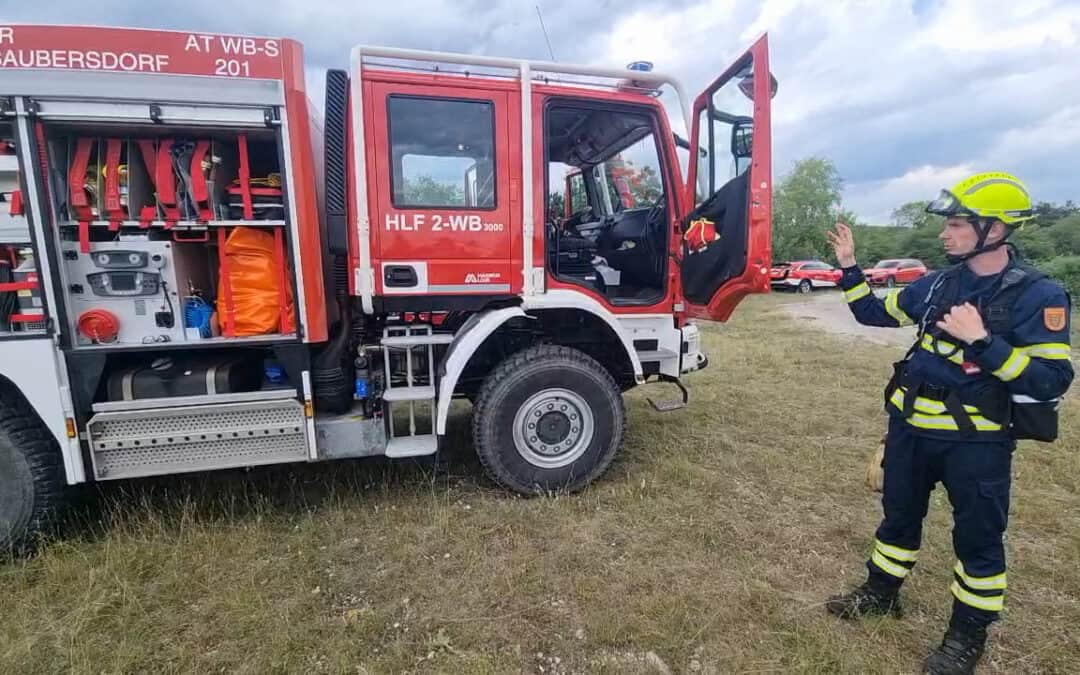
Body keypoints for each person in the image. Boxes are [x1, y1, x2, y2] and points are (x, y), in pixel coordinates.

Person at [823, 172, 1073, 675]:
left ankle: (966, 636)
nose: (945, 233)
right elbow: (874, 313)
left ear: (996, 229)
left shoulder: (1039, 295)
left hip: (977, 444)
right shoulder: (938, 282)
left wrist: (984, 342)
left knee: (978, 540)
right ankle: (880, 594)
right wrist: (850, 267)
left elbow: (1051, 380)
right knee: (897, 519)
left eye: (957, 224)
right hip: (911, 429)